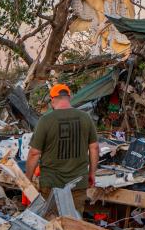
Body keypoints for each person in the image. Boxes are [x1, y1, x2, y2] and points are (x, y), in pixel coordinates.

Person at [25, 83, 98, 214]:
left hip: (51, 184)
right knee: (74, 224)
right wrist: (92, 174)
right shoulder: (85, 117)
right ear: (69, 98)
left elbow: (34, 153)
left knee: (50, 224)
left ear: (52, 100)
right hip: (78, 183)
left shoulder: (45, 120)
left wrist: (28, 179)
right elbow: (94, 148)